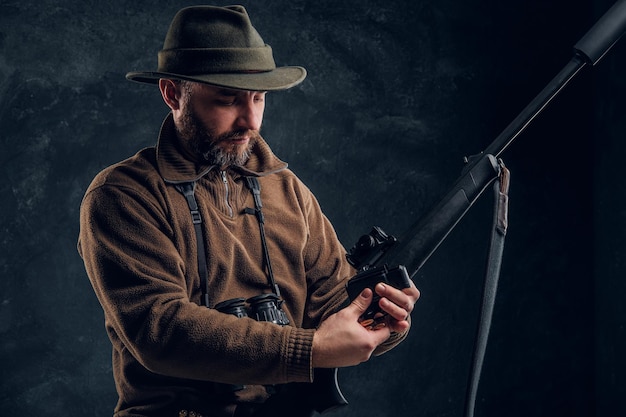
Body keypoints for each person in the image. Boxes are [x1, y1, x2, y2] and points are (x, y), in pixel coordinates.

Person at [78, 5, 420, 417]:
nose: (251, 120)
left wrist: (381, 318)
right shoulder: (123, 195)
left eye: (259, 98)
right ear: (173, 94)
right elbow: (160, 330)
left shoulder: (288, 190)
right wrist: (308, 349)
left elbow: (333, 305)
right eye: (228, 99)